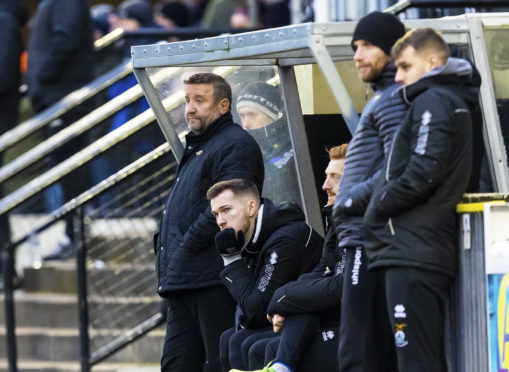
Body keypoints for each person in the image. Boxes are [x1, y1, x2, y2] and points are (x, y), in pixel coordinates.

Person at [364, 28, 481, 372]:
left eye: (404, 66)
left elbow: (424, 172)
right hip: (416, 248)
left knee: (416, 360)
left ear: (432, 62)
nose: (397, 76)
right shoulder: (443, 99)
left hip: (414, 251)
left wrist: (377, 206)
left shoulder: (435, 100)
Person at [156, 73, 264, 372]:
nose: (189, 108)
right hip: (185, 278)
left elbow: (229, 209)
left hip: (213, 278)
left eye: (199, 100)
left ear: (222, 106)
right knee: (176, 365)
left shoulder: (234, 145)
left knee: (219, 363)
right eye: (187, 100)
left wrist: (185, 246)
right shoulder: (201, 145)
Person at [331, 11, 408, 372]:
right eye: (354, 47)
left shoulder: (394, 98)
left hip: (368, 235)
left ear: (393, 49)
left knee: (357, 352)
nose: (357, 55)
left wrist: (345, 202)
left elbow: (396, 171)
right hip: (364, 235)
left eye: (366, 46)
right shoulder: (384, 96)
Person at [232, 144, 348, 372]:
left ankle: (281, 367)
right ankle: (281, 367)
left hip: (369, 328)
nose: (325, 185)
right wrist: (286, 302)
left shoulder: (362, 224)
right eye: (326, 177)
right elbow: (317, 275)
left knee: (260, 344)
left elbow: (340, 287)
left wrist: (282, 298)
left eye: (335, 177)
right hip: (332, 317)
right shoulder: (338, 220)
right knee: (245, 341)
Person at [207, 179, 323, 371]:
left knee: (245, 343)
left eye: (226, 210)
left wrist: (232, 260)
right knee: (229, 337)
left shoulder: (285, 239)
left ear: (251, 207)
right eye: (216, 214)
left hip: (313, 318)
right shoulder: (249, 239)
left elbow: (256, 311)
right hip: (284, 318)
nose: (220, 221)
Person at [26, 0, 96, 259]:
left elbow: (66, 39)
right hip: (57, 97)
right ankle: (71, 236)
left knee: (71, 171)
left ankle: (75, 238)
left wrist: (42, 77)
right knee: (66, 171)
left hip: (64, 98)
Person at [236, 82, 300, 205]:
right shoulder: (246, 152)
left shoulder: (296, 143)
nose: (245, 124)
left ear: (274, 115)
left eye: (252, 114)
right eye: (242, 116)